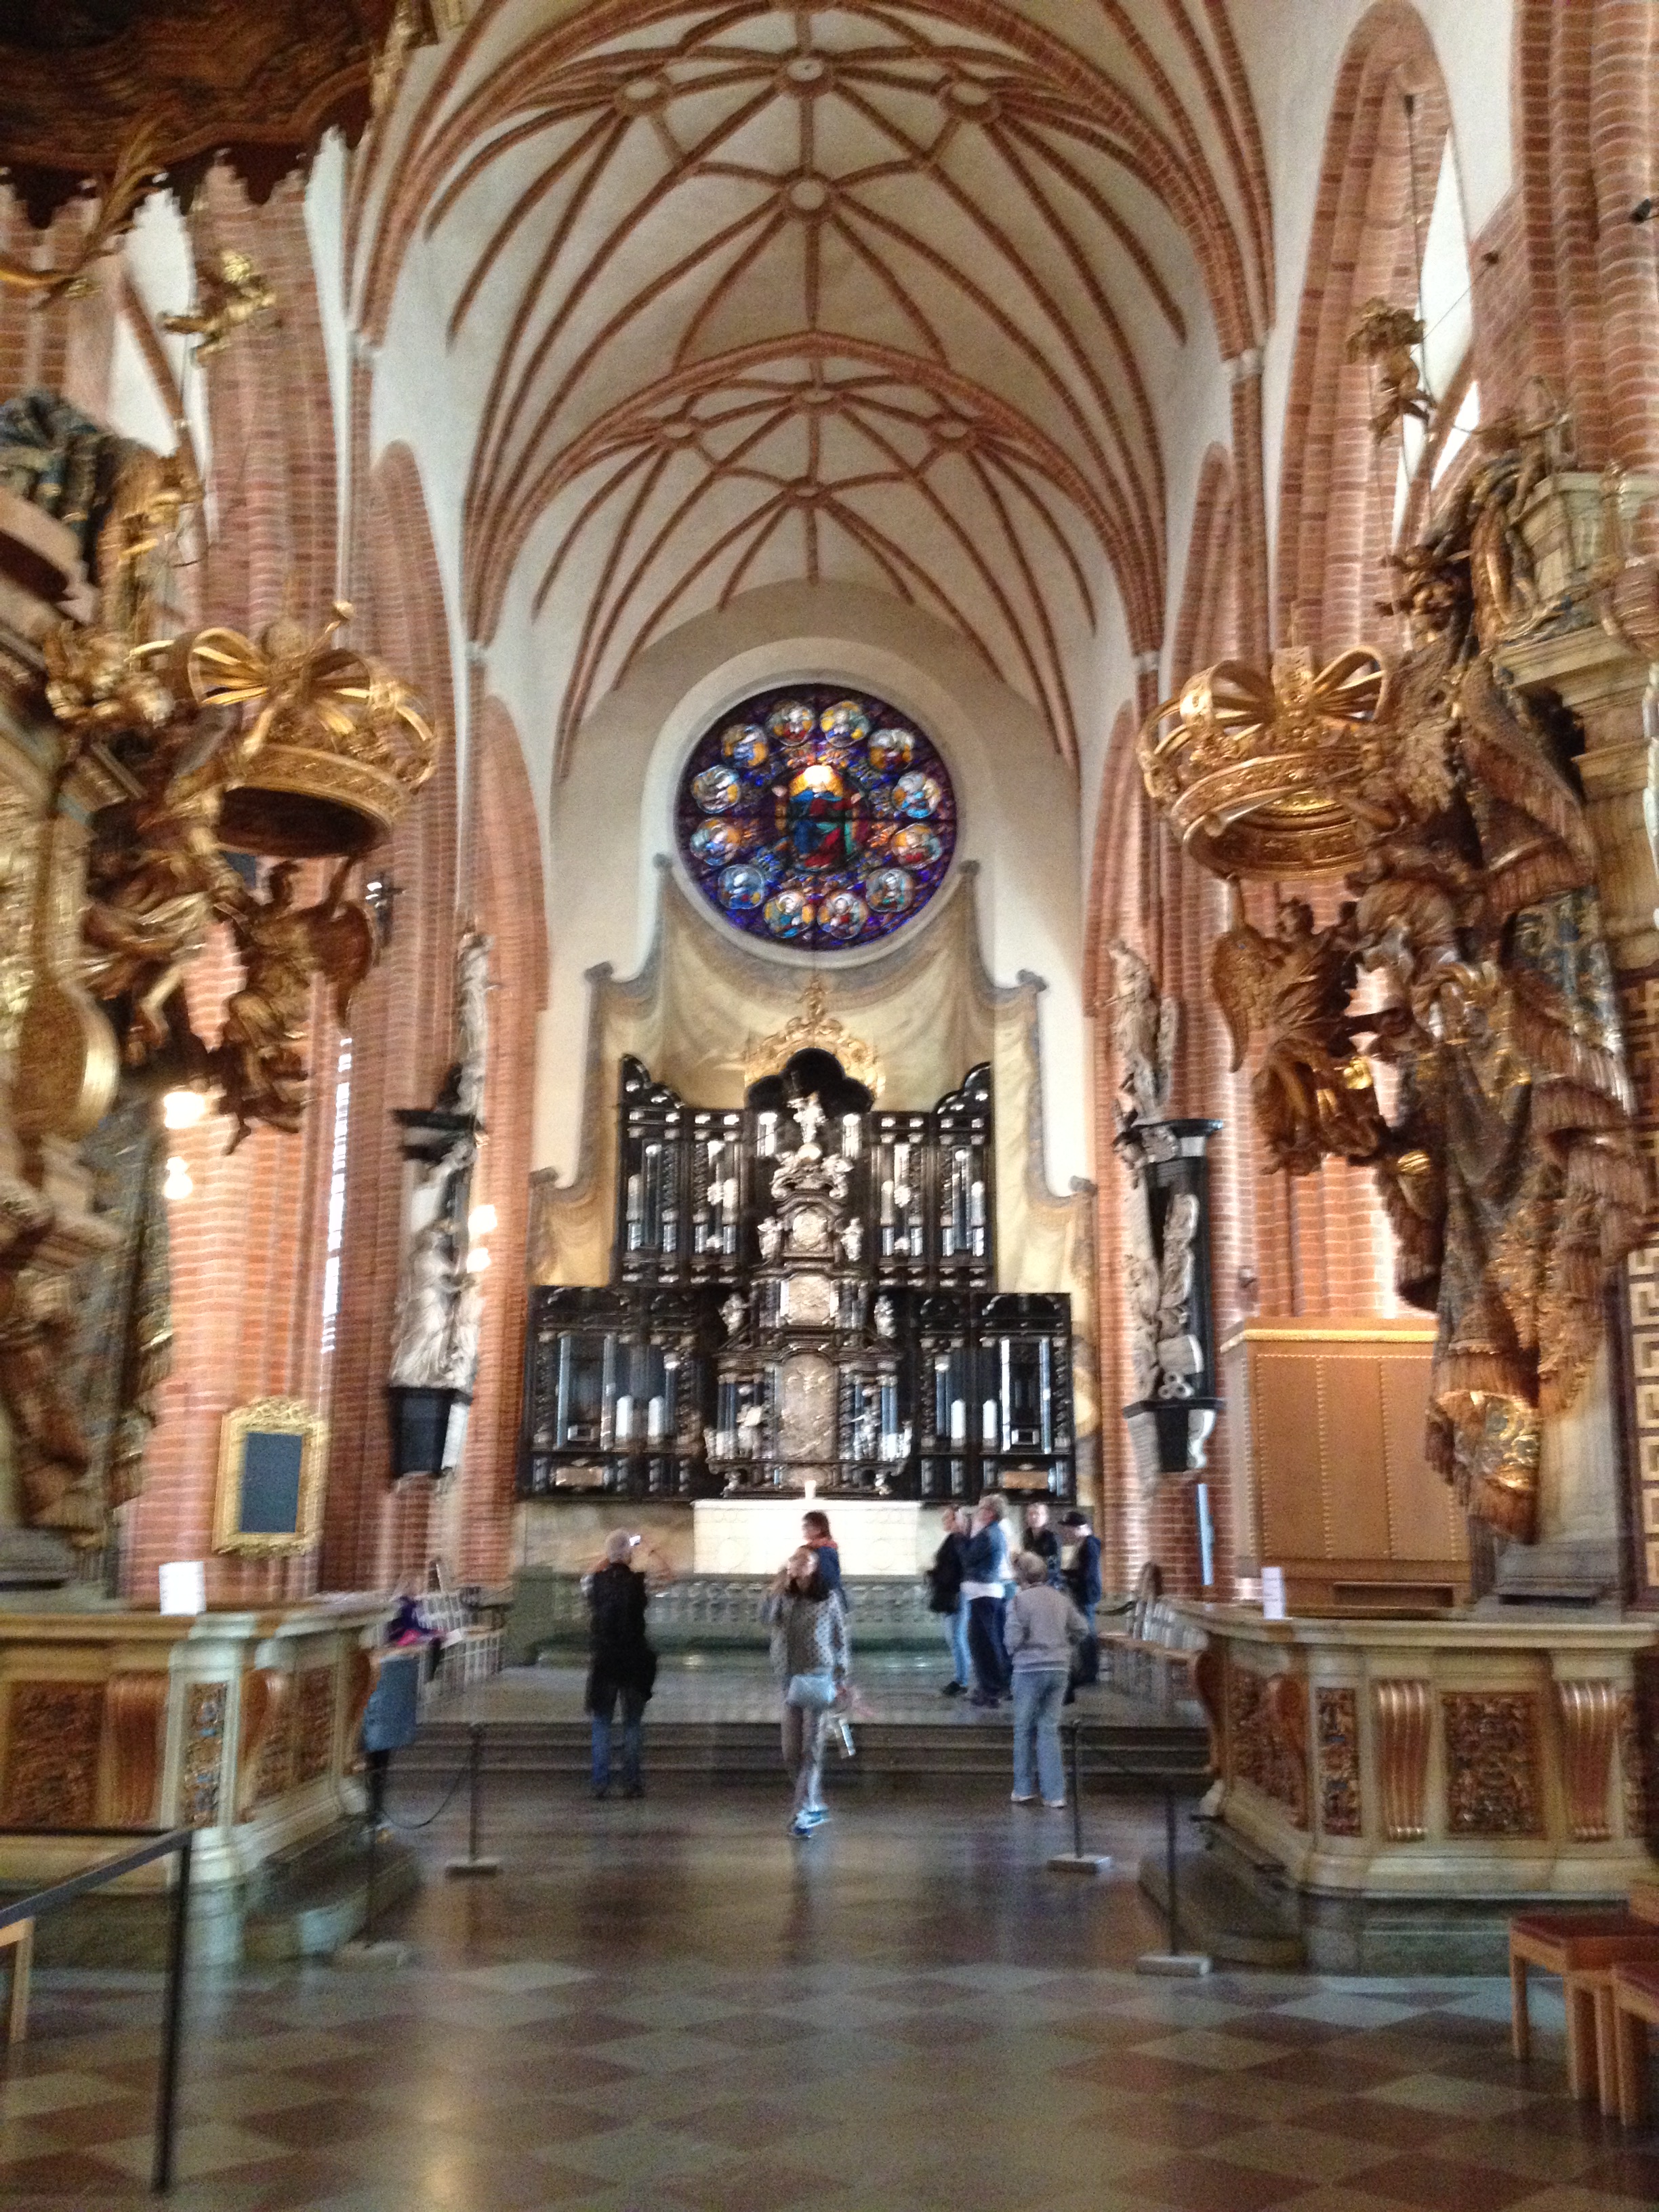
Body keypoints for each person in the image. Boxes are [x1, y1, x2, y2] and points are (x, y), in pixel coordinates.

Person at [764, 1546, 850, 1837]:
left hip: (819, 1676)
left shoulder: (828, 1598)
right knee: (790, 1752)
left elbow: (840, 1638)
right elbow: (766, 1619)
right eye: (795, 1559)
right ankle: (813, 1802)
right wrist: (775, 1590)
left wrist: (841, 1677)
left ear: (815, 1568)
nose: (799, 1564)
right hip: (789, 1679)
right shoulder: (783, 1596)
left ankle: (802, 1814)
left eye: (806, 1560)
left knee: (810, 1748)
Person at [1004, 1549, 1088, 1808]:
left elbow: (1012, 1640)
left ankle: (1023, 1789)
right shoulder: (1060, 1598)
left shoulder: (1018, 1602)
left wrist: (1016, 1650)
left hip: (1028, 1670)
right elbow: (1082, 1629)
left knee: (1023, 1728)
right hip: (1059, 1669)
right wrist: (1064, 1645)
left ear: (1020, 1576)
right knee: (1049, 1728)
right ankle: (1055, 1794)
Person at [583, 1531, 659, 1799]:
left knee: (602, 1723)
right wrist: (647, 1549)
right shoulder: (640, 1582)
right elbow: (669, 1576)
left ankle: (600, 1783)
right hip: (634, 1660)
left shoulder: (594, 1582)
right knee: (633, 1724)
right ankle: (632, 1783)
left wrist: (612, 1555)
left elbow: (589, 1574)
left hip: (605, 1661)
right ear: (629, 1554)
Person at [960, 1492, 1013, 1708]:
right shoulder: (991, 1532)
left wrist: (961, 1535)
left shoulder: (989, 1535)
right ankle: (990, 1687)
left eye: (982, 1508)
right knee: (983, 1643)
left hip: (985, 1595)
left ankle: (992, 1688)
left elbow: (967, 1558)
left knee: (984, 1645)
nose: (977, 1511)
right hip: (983, 1595)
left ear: (990, 1513)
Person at [925, 1504, 970, 1694]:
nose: (944, 1522)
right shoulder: (953, 1539)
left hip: (957, 1593)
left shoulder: (960, 1540)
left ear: (958, 1519)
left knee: (957, 1637)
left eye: (948, 1518)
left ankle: (962, 1680)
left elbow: (958, 1567)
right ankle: (961, 1677)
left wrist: (937, 1574)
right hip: (950, 1592)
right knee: (953, 1637)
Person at [1062, 1507, 1104, 1687]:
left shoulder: (1089, 1544)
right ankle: (1086, 1669)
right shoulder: (1084, 1543)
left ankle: (1090, 1671)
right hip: (1083, 1591)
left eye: (1069, 1529)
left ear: (1078, 1528)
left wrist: (1071, 1578)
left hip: (1086, 1592)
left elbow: (1088, 1572)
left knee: (1087, 1632)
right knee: (1084, 1630)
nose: (1067, 1533)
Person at [802, 1509, 843, 1602]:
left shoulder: (825, 1550)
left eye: (807, 1525)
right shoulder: (813, 1549)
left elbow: (828, 1579)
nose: (804, 1528)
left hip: (826, 1600)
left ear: (818, 1529)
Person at [1022, 1500, 1063, 1586]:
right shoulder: (1026, 1535)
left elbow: (1055, 1565)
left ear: (1046, 1518)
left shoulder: (1053, 1538)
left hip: (1048, 1582)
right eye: (1030, 1514)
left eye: (1037, 1514)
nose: (1033, 1517)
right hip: (1030, 1580)